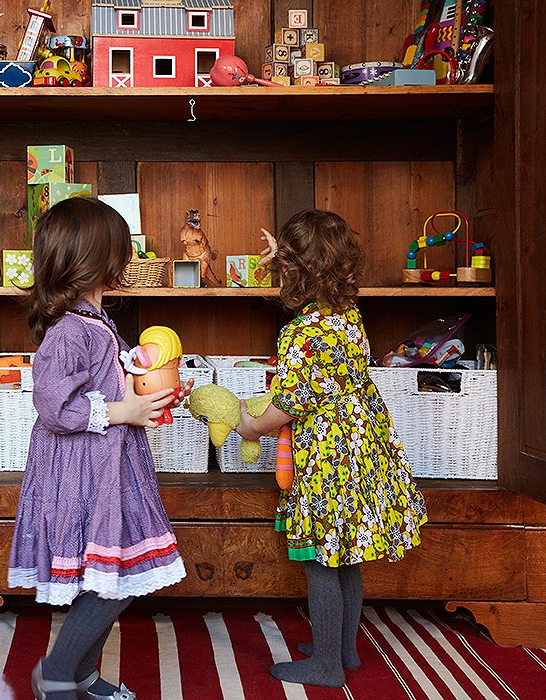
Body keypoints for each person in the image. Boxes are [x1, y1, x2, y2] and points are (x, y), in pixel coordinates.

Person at [8, 197, 191, 700]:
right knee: (109, 580)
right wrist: (122, 411)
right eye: (121, 250)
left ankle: (80, 673)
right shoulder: (69, 330)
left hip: (111, 466)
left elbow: (106, 383)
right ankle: (59, 674)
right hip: (84, 472)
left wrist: (146, 389)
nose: (126, 260)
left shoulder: (95, 322)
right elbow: (53, 406)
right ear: (96, 259)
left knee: (113, 575)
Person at [238, 209, 428, 688]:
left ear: (294, 272)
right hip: (364, 448)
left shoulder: (302, 332)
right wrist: (282, 258)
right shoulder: (347, 316)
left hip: (328, 458)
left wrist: (250, 426)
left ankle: (324, 666)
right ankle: (343, 649)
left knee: (322, 559)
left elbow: (287, 405)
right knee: (348, 554)